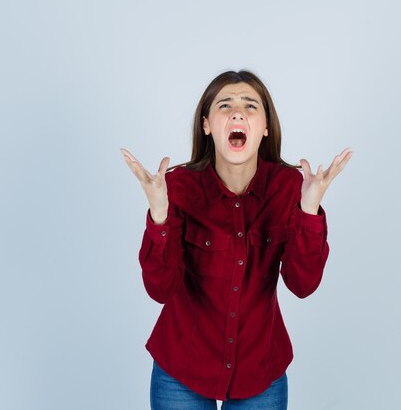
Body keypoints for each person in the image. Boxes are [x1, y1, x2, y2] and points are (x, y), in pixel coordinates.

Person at [121, 70, 352, 410]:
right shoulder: (179, 188)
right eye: (225, 105)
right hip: (181, 368)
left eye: (250, 105)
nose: (237, 113)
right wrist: (159, 213)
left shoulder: (290, 188)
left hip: (260, 371)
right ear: (207, 125)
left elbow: (302, 285)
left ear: (265, 127)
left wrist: (309, 209)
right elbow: (160, 289)